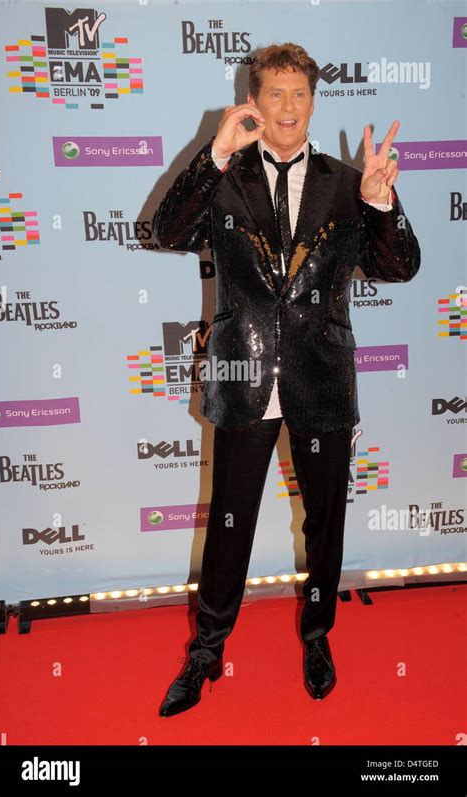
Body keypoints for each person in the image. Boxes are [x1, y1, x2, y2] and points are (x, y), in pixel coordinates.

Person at [151, 42, 421, 717]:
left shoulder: (343, 181)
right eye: (276, 93)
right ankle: (207, 652)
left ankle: (318, 635)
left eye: (300, 93)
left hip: (322, 380)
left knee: (324, 524)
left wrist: (382, 204)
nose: (289, 106)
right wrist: (213, 153)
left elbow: (400, 267)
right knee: (230, 525)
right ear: (254, 100)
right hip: (244, 376)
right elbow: (167, 228)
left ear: (312, 101)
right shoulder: (225, 176)